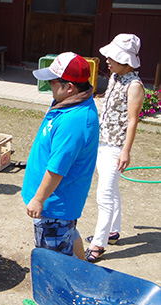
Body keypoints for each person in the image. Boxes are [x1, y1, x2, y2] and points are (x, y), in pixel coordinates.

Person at [23, 52, 100, 259]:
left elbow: (57, 168)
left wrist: (39, 199)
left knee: (54, 261)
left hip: (55, 206)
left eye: (52, 82)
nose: (49, 85)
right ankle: (84, 275)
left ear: (69, 87)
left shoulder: (73, 120)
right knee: (70, 235)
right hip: (58, 205)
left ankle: (63, 290)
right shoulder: (69, 102)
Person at [85, 34, 144, 263]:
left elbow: (132, 120)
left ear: (125, 59)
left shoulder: (134, 86)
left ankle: (97, 244)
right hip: (102, 141)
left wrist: (125, 151)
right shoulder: (115, 78)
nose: (107, 60)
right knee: (112, 190)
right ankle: (113, 231)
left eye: (113, 57)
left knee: (104, 196)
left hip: (115, 147)